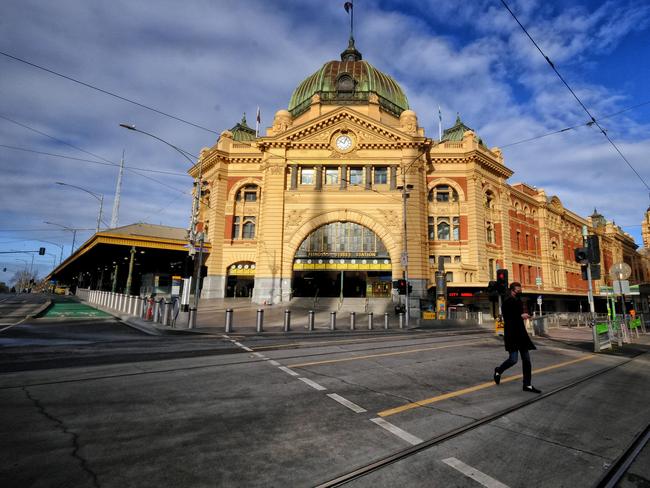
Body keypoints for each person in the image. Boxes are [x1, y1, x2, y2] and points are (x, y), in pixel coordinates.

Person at [493, 282, 541, 393]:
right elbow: (508, 318)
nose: (520, 292)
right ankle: (498, 370)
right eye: (518, 290)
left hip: (521, 334)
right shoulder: (506, 302)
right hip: (512, 334)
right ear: (512, 290)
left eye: (520, 290)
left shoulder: (519, 301)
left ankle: (527, 384)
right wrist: (520, 316)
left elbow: (520, 314)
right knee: (513, 360)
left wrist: (526, 315)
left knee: (527, 360)